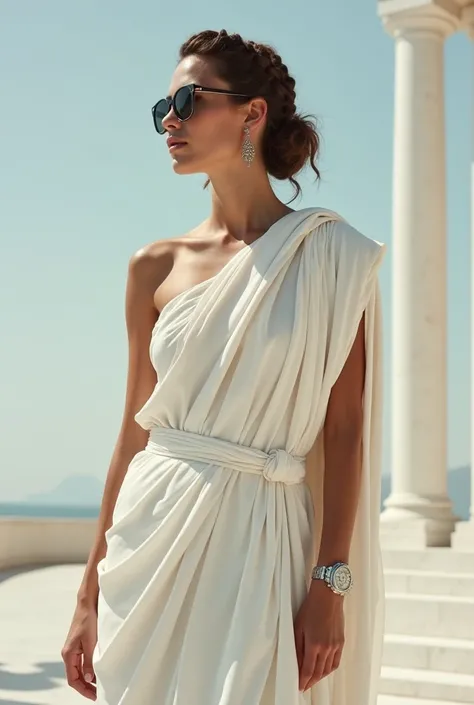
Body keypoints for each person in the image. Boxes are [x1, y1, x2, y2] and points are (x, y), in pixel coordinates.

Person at [61, 29, 386, 705]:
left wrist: (330, 581)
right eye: (163, 106)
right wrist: (90, 587)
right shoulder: (155, 266)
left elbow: (346, 431)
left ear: (252, 112)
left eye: (188, 98)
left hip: (266, 539)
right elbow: (133, 433)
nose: (170, 119)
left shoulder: (331, 257)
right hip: (150, 540)